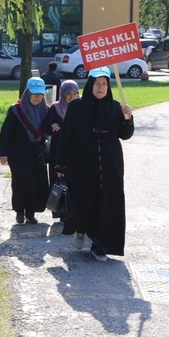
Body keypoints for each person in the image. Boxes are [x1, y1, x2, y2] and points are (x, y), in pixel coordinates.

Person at [54, 67, 135, 262]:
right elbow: (66, 137)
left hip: (110, 165)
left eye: (104, 84)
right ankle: (82, 229)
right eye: (97, 83)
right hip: (82, 164)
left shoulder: (116, 107)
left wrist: (128, 119)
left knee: (108, 203)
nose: (101, 87)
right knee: (85, 201)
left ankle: (101, 244)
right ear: (90, 85)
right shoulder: (77, 107)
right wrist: (59, 164)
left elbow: (125, 135)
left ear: (108, 86)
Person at [0, 77, 50, 225]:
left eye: (40, 94)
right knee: (21, 181)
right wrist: (3, 153)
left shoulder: (46, 109)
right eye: (34, 94)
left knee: (36, 183)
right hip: (18, 154)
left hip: (37, 155)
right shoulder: (16, 110)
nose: (38, 97)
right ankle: (19, 211)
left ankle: (30, 213)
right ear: (27, 93)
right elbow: (6, 132)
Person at [41, 79, 79, 217]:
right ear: (63, 94)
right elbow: (45, 126)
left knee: (74, 180)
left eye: (75, 93)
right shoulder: (56, 108)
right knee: (58, 180)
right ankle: (61, 211)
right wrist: (53, 127)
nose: (72, 97)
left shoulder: (80, 107)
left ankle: (74, 211)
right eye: (69, 94)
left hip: (75, 151)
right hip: (58, 150)